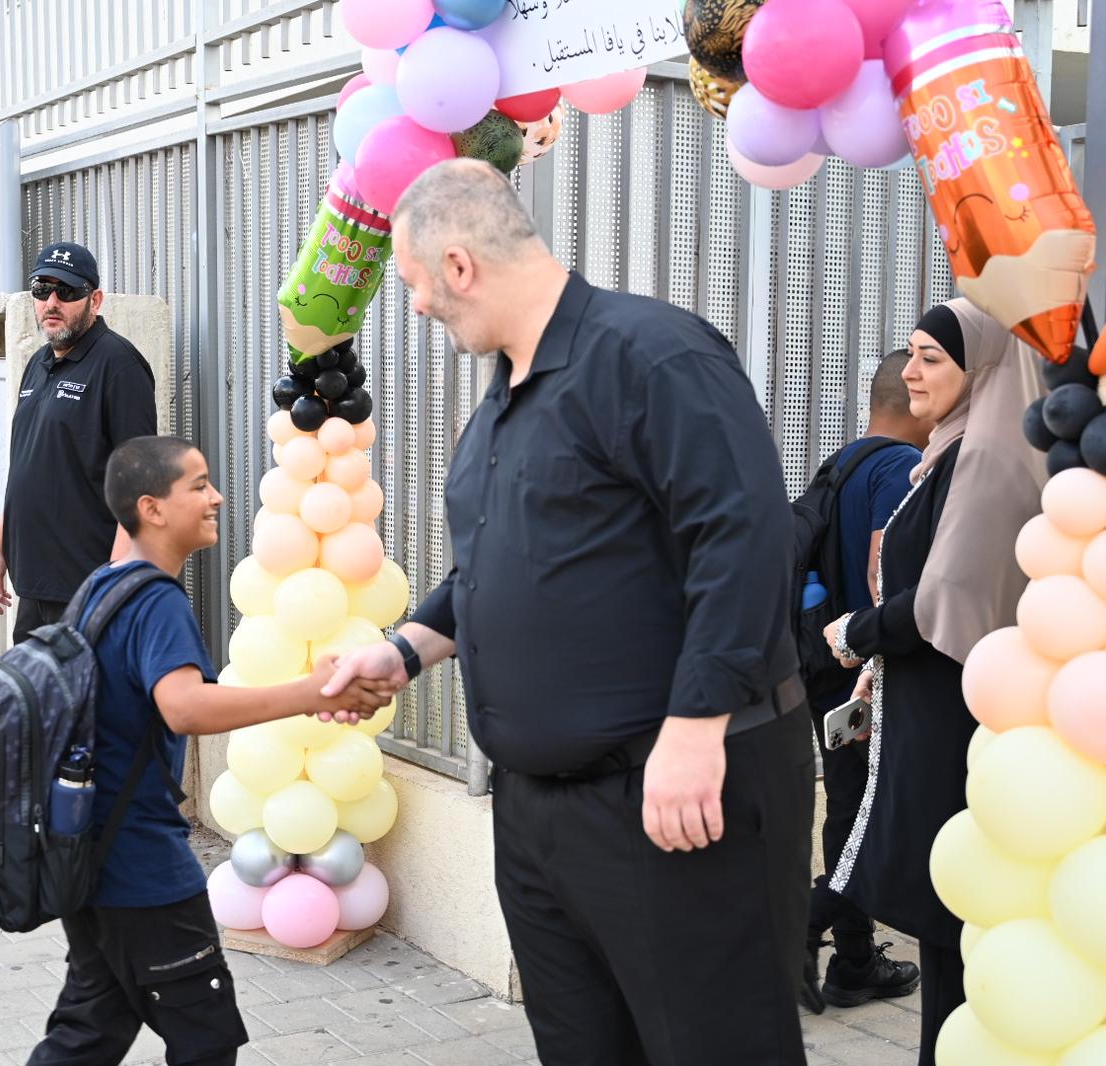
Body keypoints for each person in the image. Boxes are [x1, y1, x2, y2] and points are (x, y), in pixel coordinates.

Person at [323, 159, 813, 1065]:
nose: (420, 308)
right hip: (542, 819)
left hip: (670, 798)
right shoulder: (506, 399)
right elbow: (504, 565)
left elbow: (745, 540)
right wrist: (407, 649)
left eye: (418, 286)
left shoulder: (651, 355)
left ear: (460, 264)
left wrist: (696, 726)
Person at [29, 435, 389, 1066]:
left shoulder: (99, 587)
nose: (216, 496)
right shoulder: (158, 601)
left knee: (90, 1030)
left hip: (86, 849)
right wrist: (307, 692)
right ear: (153, 508)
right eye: (197, 485)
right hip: (141, 864)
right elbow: (185, 707)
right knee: (206, 1040)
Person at [823, 300, 1046, 1065]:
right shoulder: (949, 453)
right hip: (931, 700)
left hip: (956, 711)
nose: (911, 373)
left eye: (932, 359)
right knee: (943, 902)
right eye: (910, 354)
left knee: (952, 907)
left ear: (980, 371)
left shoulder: (982, 459)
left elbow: (943, 601)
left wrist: (859, 632)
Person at [803, 350, 931, 1012]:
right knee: (873, 821)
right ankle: (800, 923)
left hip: (829, 673)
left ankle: (852, 962)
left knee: (851, 812)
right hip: (866, 676)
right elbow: (886, 574)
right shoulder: (898, 468)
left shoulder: (845, 462)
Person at [0, 242, 158, 641]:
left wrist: (116, 580)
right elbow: (27, 467)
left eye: (68, 291)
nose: (52, 302)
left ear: (94, 299)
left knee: (84, 702)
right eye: (42, 290)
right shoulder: (38, 364)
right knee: (37, 700)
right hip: (34, 586)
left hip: (87, 587)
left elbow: (141, 483)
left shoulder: (119, 366)